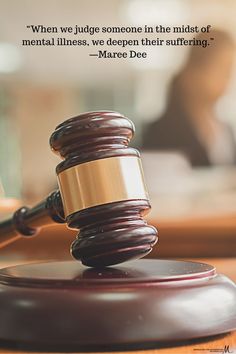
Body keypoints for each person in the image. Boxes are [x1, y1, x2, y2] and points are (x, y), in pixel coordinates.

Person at [143, 30, 236, 166]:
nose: (227, 79)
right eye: (222, 69)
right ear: (194, 70)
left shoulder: (225, 130)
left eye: (229, 71)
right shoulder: (161, 131)